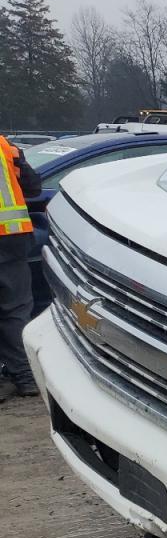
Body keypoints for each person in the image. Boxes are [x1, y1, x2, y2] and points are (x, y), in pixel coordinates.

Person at [0, 134, 40, 401]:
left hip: (11, 241)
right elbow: (33, 187)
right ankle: (26, 377)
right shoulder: (5, 146)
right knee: (14, 311)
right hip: (11, 240)